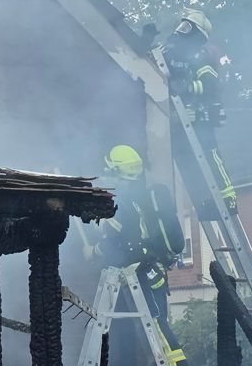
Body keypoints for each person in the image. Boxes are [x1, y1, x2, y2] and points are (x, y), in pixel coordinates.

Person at [85, 145, 189, 366]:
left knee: (157, 324)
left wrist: (92, 250)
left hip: (141, 272)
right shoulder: (141, 197)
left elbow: (113, 239)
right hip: (151, 270)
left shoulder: (122, 202)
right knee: (156, 323)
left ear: (115, 171)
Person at [158, 9, 237, 215]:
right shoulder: (168, 51)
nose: (181, 30)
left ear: (197, 34)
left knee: (210, 157)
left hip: (200, 119)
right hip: (179, 122)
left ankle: (228, 199)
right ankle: (205, 202)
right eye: (181, 26)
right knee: (189, 163)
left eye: (187, 27)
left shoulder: (200, 57)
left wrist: (188, 87)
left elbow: (210, 86)